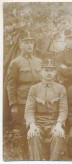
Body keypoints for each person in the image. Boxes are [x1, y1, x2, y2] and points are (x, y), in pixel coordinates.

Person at [7, 29, 42, 159]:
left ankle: (38, 155)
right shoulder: (15, 62)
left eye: (31, 43)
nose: (29, 45)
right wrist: (13, 104)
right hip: (23, 101)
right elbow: (11, 84)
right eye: (26, 43)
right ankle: (26, 157)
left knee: (37, 127)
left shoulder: (39, 61)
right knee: (24, 130)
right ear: (20, 45)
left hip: (38, 100)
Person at [24, 59, 68, 160]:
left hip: (54, 123)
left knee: (58, 134)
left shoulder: (61, 89)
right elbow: (29, 110)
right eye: (46, 70)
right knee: (33, 134)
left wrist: (59, 125)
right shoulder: (34, 89)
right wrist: (32, 125)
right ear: (41, 71)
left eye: (51, 70)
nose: (49, 73)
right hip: (38, 123)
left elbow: (63, 110)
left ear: (55, 72)